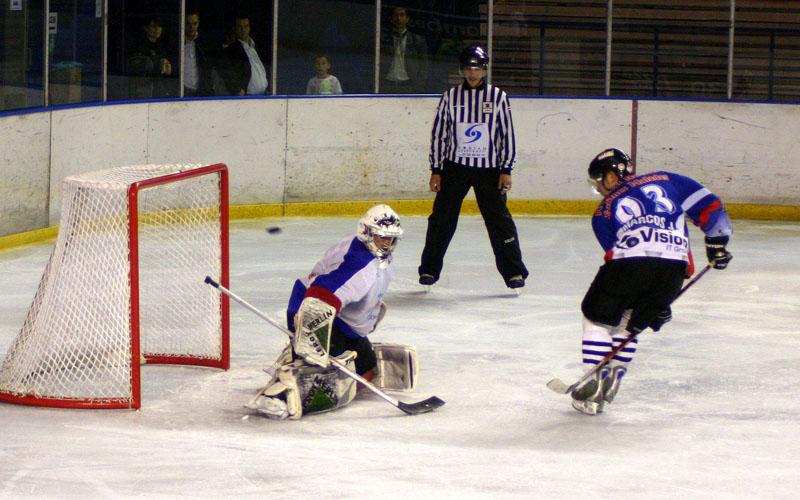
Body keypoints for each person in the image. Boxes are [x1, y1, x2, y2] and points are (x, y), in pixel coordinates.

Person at [569, 148, 734, 415]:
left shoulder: (603, 212)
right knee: (631, 321)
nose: (598, 189)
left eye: (598, 182)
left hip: (630, 262)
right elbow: (711, 207)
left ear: (611, 177)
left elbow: (615, 257)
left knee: (597, 318)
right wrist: (717, 244)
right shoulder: (668, 179)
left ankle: (593, 382)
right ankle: (614, 377)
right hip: (674, 269)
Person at [248, 205, 417, 420]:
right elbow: (320, 296)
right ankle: (281, 391)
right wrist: (312, 338)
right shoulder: (360, 264)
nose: (386, 244)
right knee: (324, 372)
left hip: (341, 321)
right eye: (381, 237)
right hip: (315, 314)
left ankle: (302, 360)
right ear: (366, 232)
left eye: (390, 239)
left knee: (367, 368)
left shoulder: (375, 256)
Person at [418, 45, 529, 290]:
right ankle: (429, 269)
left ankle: (514, 272)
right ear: (462, 70)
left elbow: (506, 135)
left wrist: (506, 169)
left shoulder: (498, 97)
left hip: (489, 170)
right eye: (468, 68)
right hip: (455, 168)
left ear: (484, 70)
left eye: (477, 68)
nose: (472, 73)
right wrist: (436, 169)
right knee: (441, 219)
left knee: (499, 221)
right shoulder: (450, 97)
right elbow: (439, 134)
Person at [380, 6, 428, 93]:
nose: (398, 18)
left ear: (407, 18)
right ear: (392, 18)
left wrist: (419, 86)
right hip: (387, 86)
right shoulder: (383, 39)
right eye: (396, 15)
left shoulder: (417, 40)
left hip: (409, 86)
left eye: (402, 15)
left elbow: (424, 65)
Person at [127, 16, 176, 98]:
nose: (157, 29)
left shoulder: (163, 47)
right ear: (146, 28)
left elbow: (168, 72)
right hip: (143, 90)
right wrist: (158, 65)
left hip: (160, 90)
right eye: (153, 26)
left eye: (159, 26)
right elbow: (137, 68)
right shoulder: (139, 47)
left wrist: (168, 69)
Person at [223, 14, 268, 96]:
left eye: (246, 26)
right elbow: (228, 73)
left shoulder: (256, 46)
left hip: (264, 95)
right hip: (247, 96)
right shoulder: (232, 50)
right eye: (239, 27)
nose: (243, 30)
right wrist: (238, 90)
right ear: (235, 29)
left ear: (249, 27)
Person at [182, 10, 219, 97]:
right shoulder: (178, 44)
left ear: (198, 24)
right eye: (188, 24)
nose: (191, 27)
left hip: (202, 93)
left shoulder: (205, 43)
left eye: (194, 23)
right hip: (183, 93)